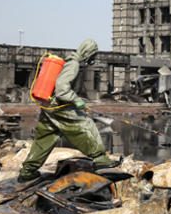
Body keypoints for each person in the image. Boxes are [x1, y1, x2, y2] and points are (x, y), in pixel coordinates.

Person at [18, 38, 114, 182]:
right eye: (93, 55)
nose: (92, 58)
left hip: (50, 105)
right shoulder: (73, 64)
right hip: (59, 106)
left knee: (45, 138)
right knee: (86, 124)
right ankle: (100, 158)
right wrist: (76, 101)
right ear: (88, 52)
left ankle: (27, 172)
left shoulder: (71, 62)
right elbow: (62, 89)